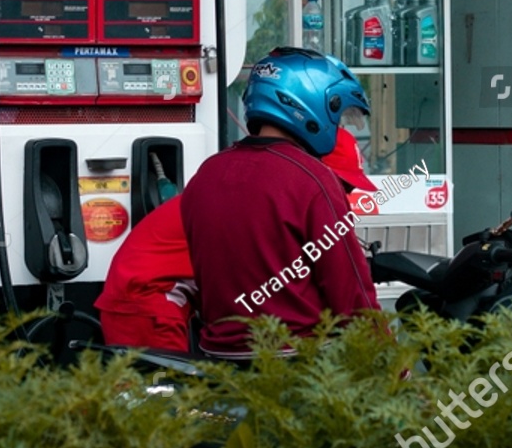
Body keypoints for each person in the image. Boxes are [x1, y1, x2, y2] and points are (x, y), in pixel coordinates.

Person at [96, 125, 379, 353]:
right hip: (146, 302)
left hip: (151, 298)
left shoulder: (259, 197)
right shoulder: (280, 196)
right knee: (165, 415)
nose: (345, 194)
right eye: (344, 184)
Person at [177, 48, 379, 359]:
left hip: (218, 357)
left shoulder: (206, 174)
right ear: (312, 105)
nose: (337, 128)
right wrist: (392, 363)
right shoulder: (311, 178)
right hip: (296, 359)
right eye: (338, 117)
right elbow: (350, 289)